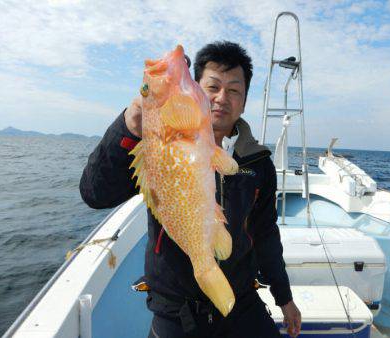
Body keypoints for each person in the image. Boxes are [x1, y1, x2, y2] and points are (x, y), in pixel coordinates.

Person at [80, 41, 301, 338]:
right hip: (175, 309)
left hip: (240, 301)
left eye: (234, 90)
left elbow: (264, 233)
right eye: (213, 87)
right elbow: (94, 194)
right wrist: (130, 123)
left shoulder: (258, 164)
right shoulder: (155, 145)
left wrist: (284, 299)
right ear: (195, 90)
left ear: (245, 101)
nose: (222, 97)